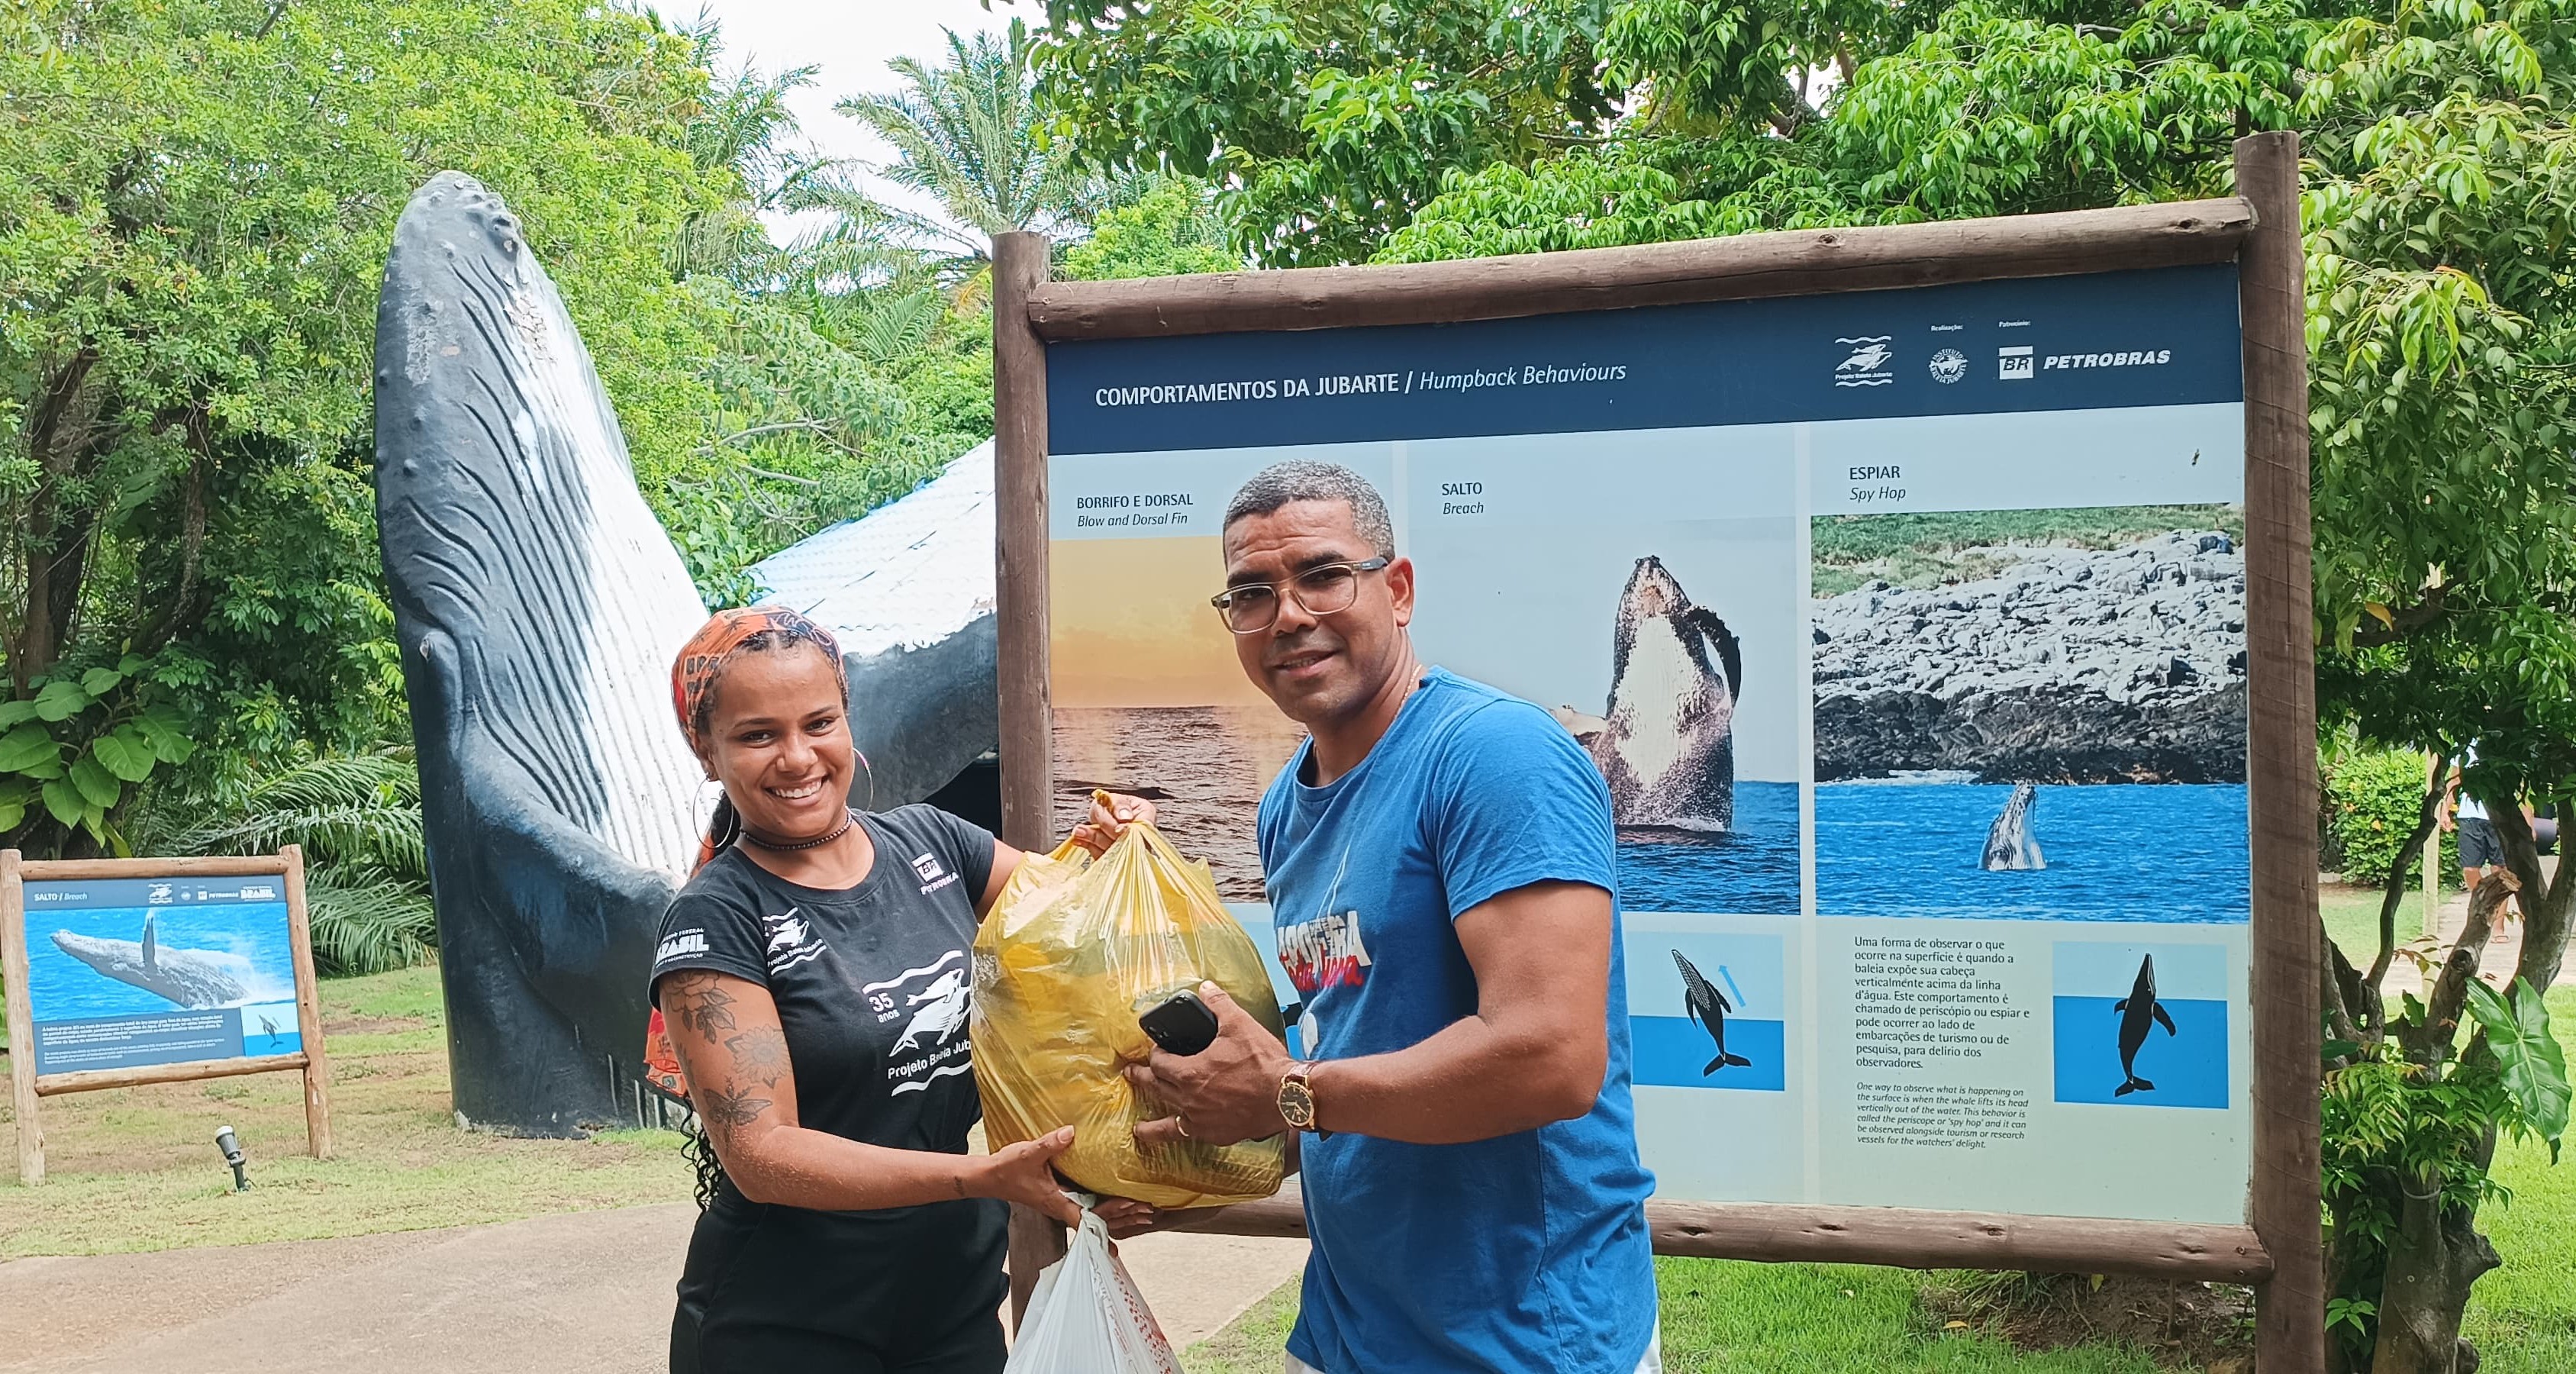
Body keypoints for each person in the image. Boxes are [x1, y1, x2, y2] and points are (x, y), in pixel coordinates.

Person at [1123, 462, 1660, 1372]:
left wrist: (1289, 1091)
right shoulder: (1285, 806)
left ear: (1398, 589)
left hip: (1526, 1339)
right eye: (1253, 593)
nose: (1289, 615)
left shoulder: (1494, 756)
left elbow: (1552, 1058)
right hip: (1350, 1327)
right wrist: (1207, 1135)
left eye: (1324, 575)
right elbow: (1351, 1055)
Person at [647, 606, 1151, 1374]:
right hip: (787, 1319)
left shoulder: (936, 845)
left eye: (819, 723)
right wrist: (976, 1176)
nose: (796, 757)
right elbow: (761, 1151)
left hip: (950, 1295)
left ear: (848, 720)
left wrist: (1116, 843)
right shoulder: (717, 918)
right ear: (706, 752)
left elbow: (1074, 929)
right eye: (758, 735)